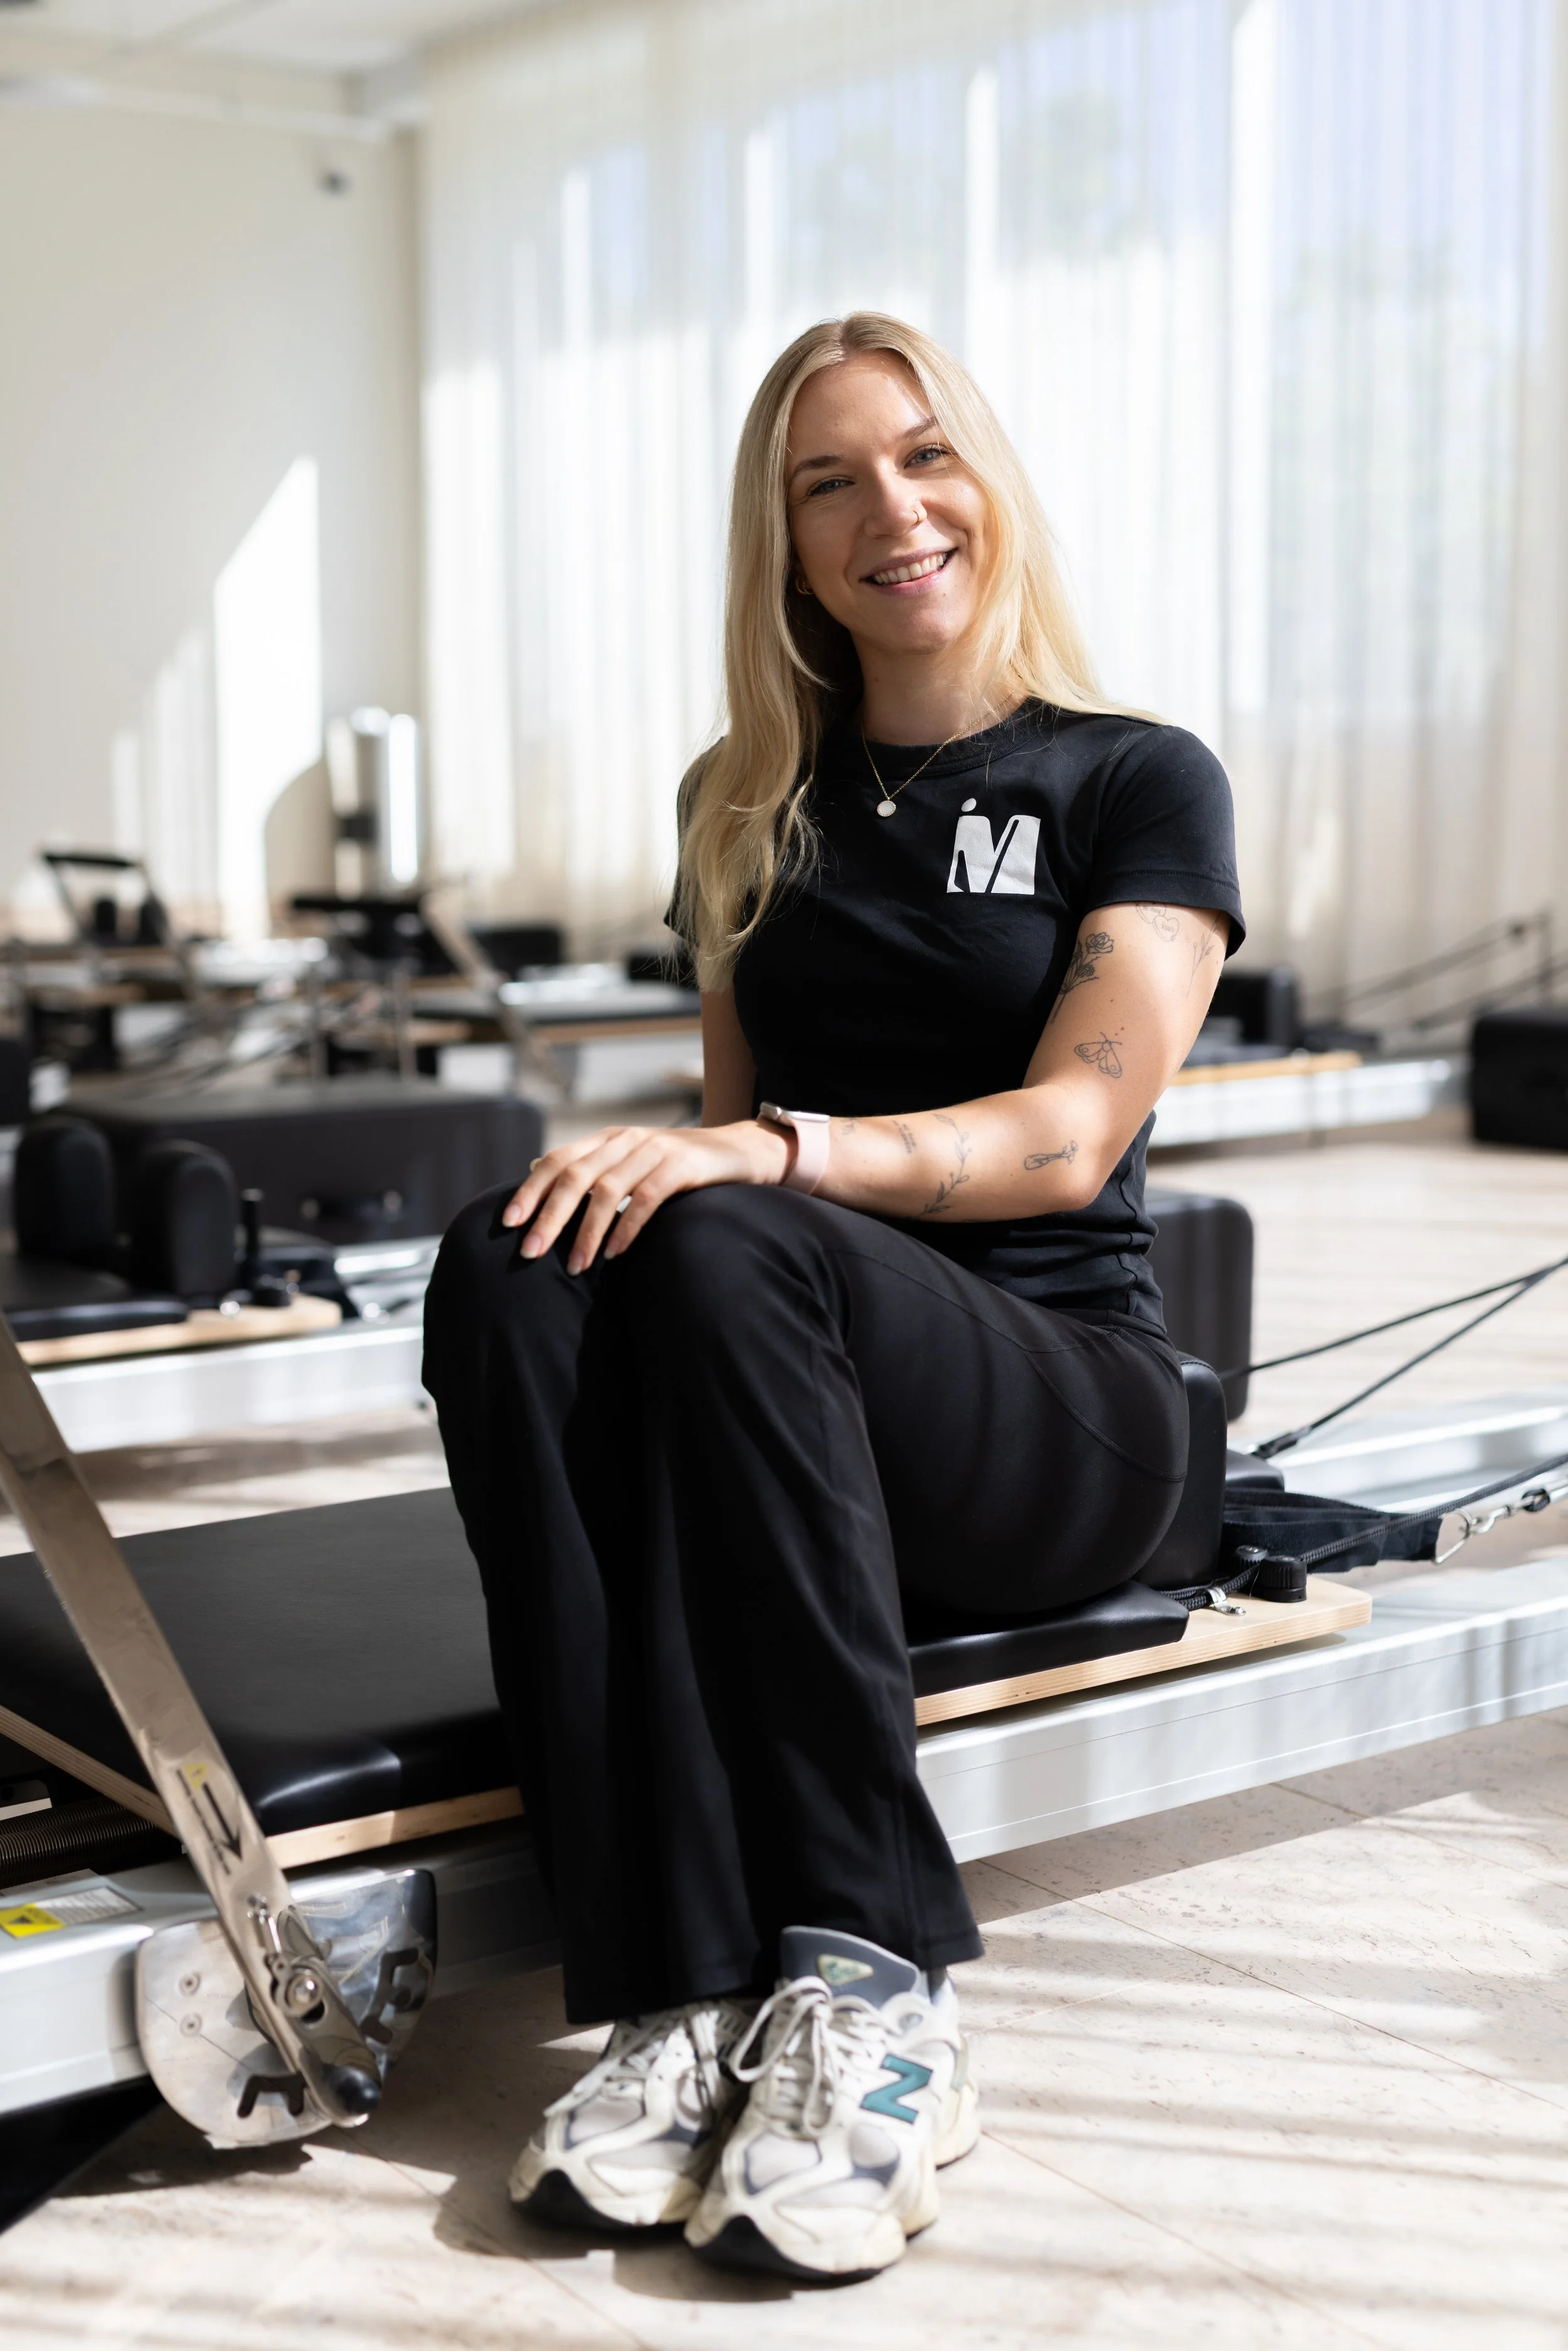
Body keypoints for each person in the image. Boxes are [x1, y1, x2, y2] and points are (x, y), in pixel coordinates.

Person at [422, 310, 1244, 2285]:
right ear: (781, 541)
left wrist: (775, 1153)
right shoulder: (741, 795)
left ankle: (876, 1983)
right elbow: (692, 1182)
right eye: (828, 479)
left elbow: (1063, 1137)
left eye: (923, 454)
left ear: (989, 483)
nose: (891, 507)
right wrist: (674, 1182)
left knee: (719, 1220)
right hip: (800, 1395)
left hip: (1063, 1410)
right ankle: (686, 1982)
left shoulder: (1131, 776)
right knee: (519, 1258)